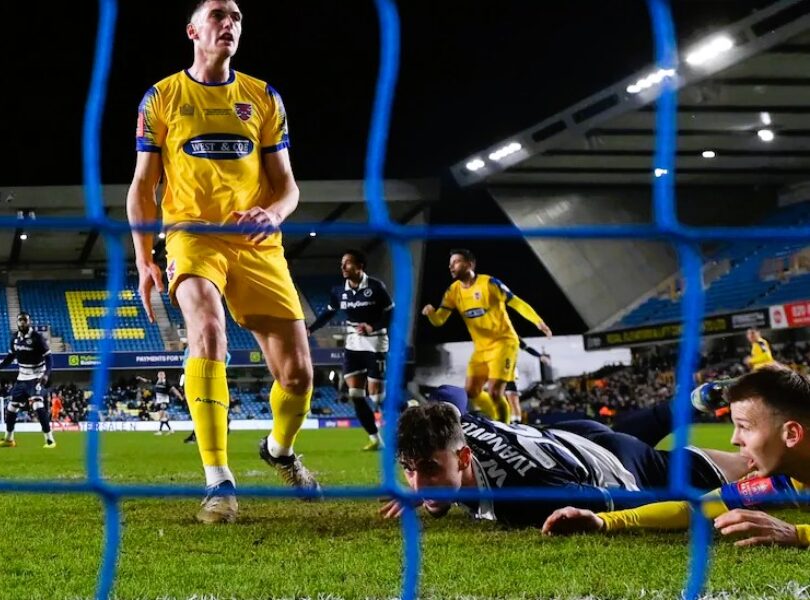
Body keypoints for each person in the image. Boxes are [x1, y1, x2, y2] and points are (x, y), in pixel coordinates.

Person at [127, 0, 321, 524]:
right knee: (207, 330)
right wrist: (145, 258)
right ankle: (219, 483)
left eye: (236, 17)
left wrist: (274, 213)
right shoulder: (162, 97)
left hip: (257, 243)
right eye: (218, 15)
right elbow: (143, 186)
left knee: (299, 376)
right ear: (193, 29)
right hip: (191, 236)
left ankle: (279, 450)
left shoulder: (262, 97)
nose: (229, 24)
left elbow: (288, 186)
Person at [543, 366, 810, 547]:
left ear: (791, 434)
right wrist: (605, 521)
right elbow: (692, 508)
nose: (734, 439)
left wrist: (797, 533)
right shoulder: (781, 481)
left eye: (745, 427)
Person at [379, 401, 750, 527]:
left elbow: (638, 502)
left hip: (618, 462)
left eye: (429, 468)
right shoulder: (458, 426)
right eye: (408, 469)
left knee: (750, 467)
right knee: (636, 426)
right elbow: (449, 401)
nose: (417, 483)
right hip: (569, 437)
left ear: (463, 457)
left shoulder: (528, 498)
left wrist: (600, 521)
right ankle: (690, 401)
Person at [422, 249, 551, 424]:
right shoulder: (453, 291)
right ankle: (496, 418)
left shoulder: (489, 283)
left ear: (469, 264)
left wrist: (538, 321)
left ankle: (504, 428)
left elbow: (517, 303)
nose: (451, 266)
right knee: (471, 392)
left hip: (504, 343)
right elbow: (439, 320)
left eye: (456, 262)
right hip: (481, 348)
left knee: (496, 392)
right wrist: (431, 313)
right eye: (450, 263)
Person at [308, 250, 394, 451]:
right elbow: (328, 313)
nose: (342, 267)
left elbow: (391, 313)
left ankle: (407, 408)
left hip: (375, 344)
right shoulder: (339, 291)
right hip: (353, 346)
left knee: (377, 397)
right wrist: (310, 329)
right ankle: (375, 439)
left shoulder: (375, 287)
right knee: (355, 394)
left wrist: (372, 326)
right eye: (341, 263)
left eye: (347, 263)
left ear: (360, 266)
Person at [0, 312, 56, 449]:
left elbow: (49, 358)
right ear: (17, 322)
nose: (22, 323)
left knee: (37, 405)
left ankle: (50, 440)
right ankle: (9, 439)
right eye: (20, 320)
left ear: (29, 322)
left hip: (36, 377)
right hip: (22, 377)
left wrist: (46, 375)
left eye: (25, 320)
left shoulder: (37, 338)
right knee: (11, 407)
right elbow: (10, 356)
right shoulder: (14, 338)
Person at [502, 340, 551, 424]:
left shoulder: (511, 335)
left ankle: (515, 421)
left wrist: (540, 356)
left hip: (509, 372)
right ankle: (508, 419)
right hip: (497, 371)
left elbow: (526, 347)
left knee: (511, 397)